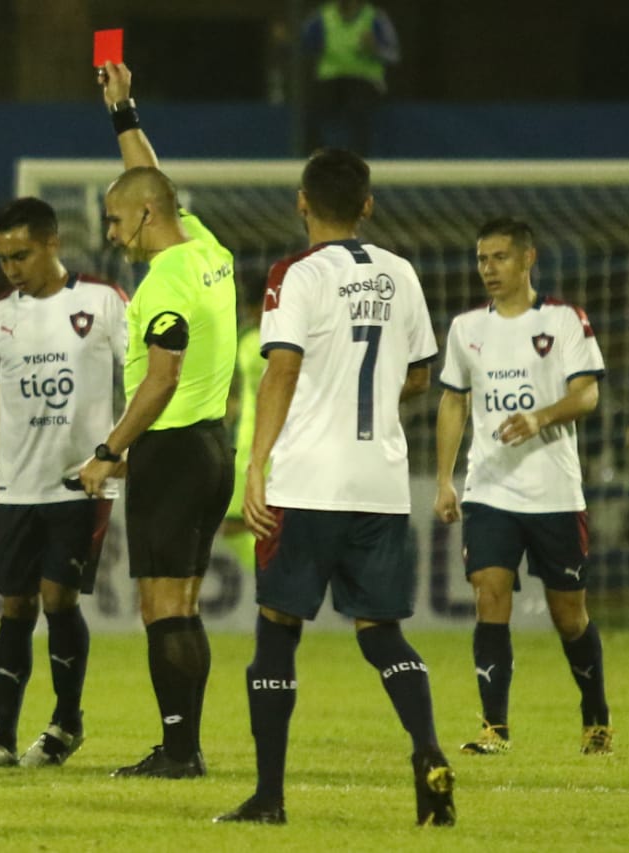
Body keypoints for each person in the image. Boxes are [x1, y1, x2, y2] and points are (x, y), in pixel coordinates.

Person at [215, 149, 454, 827]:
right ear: (368, 205)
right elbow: (417, 375)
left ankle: (268, 796)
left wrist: (257, 465)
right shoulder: (402, 273)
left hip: (307, 480)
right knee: (383, 635)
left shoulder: (296, 274)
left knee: (277, 633)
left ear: (301, 201)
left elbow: (281, 369)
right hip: (379, 482)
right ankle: (429, 752)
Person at [78, 61, 237, 779]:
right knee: (183, 601)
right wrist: (123, 112)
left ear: (144, 217)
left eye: (115, 219)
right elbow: (154, 180)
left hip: (171, 451)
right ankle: (183, 745)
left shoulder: (167, 281)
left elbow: (162, 379)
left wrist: (109, 449)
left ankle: (179, 751)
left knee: (160, 607)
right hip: (212, 447)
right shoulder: (203, 248)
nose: (112, 234)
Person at [434, 217, 611, 757]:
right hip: (491, 490)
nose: (489, 268)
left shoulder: (562, 321)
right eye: (483, 259)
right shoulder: (467, 329)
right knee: (490, 592)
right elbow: (453, 400)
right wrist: (444, 478)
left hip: (555, 493)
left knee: (569, 615)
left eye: (500, 257)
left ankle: (596, 717)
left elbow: (587, 397)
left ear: (528, 259)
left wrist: (539, 418)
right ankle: (495, 727)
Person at [0, 197, 128, 769]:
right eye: (3, 257)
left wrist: (121, 452)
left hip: (80, 485)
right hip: (18, 490)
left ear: (52, 243)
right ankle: (2, 738)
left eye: (21, 255)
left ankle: (65, 723)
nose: (11, 268)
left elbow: (142, 381)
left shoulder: (104, 302)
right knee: (15, 603)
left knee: (58, 597)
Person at [301, 0, 400, 155]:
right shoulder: (322, 17)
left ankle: (358, 160)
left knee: (359, 107)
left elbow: (393, 55)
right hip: (330, 78)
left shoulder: (376, 17)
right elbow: (304, 45)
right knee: (313, 109)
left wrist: (375, 48)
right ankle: (315, 159)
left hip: (365, 79)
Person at [220, 285, 268, 571]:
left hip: (280, 449)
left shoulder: (257, 343)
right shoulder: (252, 342)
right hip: (249, 447)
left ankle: (273, 576)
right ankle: (270, 573)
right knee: (232, 523)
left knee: (263, 523)